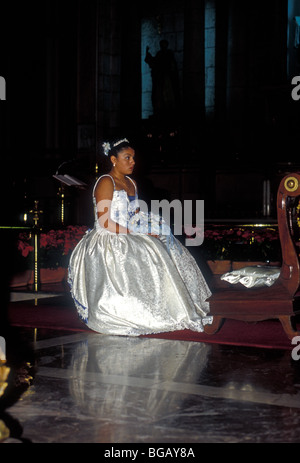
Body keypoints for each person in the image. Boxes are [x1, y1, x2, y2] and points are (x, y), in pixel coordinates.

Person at [68, 138, 212, 336]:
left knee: (162, 243)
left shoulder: (131, 183)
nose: (133, 162)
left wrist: (153, 226)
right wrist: (139, 232)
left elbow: (135, 214)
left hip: (128, 232)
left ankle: (167, 306)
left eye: (133, 158)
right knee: (148, 251)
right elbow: (105, 222)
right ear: (113, 159)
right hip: (108, 238)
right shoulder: (105, 182)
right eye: (127, 157)